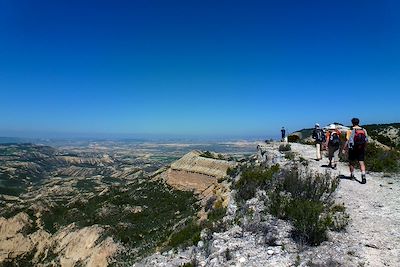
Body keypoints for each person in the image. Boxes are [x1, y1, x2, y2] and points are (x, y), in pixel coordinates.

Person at [342, 118, 368, 184]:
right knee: (361, 162)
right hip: (361, 148)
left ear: (352, 123)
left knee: (351, 162)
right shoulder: (363, 130)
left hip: (352, 149)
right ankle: (363, 176)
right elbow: (366, 140)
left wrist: (344, 148)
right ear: (358, 122)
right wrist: (365, 147)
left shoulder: (350, 130)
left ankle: (352, 175)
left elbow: (347, 141)